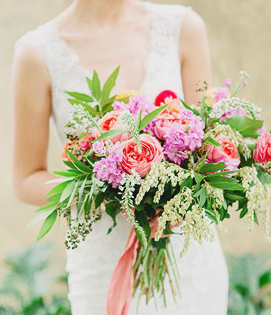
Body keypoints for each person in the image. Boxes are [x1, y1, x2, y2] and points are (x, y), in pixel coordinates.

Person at [11, 0, 228, 313]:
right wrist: (105, 190)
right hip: (104, 267)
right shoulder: (37, 53)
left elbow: (208, 144)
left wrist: (178, 189)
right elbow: (26, 179)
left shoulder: (183, 28)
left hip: (188, 258)